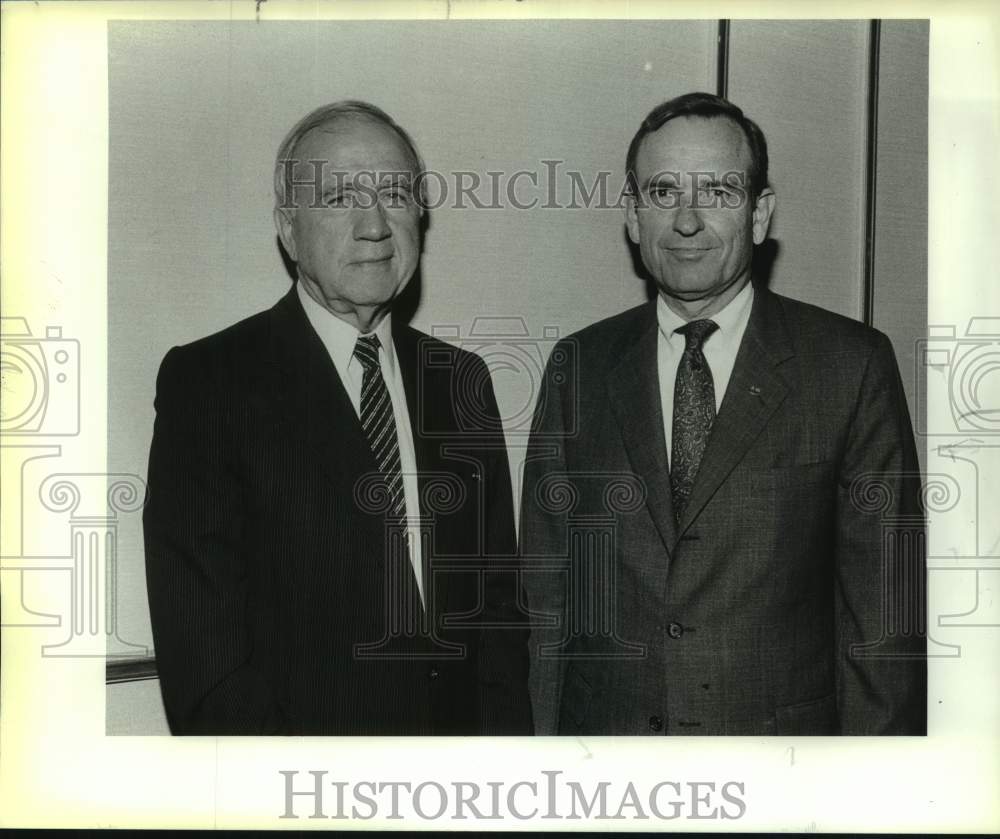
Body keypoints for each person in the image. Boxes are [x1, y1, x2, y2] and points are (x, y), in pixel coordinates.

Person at [521, 92, 926, 736]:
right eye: (663, 192)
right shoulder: (579, 367)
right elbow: (546, 600)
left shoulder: (850, 367)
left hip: (780, 766)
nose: (687, 220)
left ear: (759, 214)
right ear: (632, 215)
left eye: (716, 191)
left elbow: (885, 619)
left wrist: (868, 785)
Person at [143, 100, 531, 736]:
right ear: (289, 230)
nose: (374, 225)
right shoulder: (211, 384)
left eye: (395, 195)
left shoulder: (461, 381)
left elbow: (496, 622)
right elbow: (206, 662)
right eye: (340, 197)